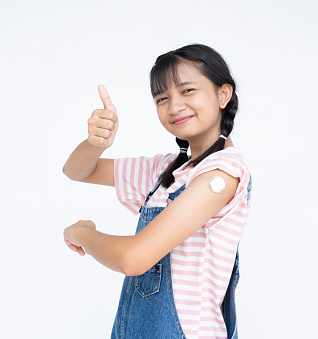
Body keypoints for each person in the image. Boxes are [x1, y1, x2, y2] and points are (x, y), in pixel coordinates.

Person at [62, 44, 252, 339]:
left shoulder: (223, 172)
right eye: (162, 98)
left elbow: (134, 259)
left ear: (223, 94)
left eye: (187, 91)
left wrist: (80, 233)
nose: (174, 106)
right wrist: (96, 143)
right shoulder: (166, 171)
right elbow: (77, 170)